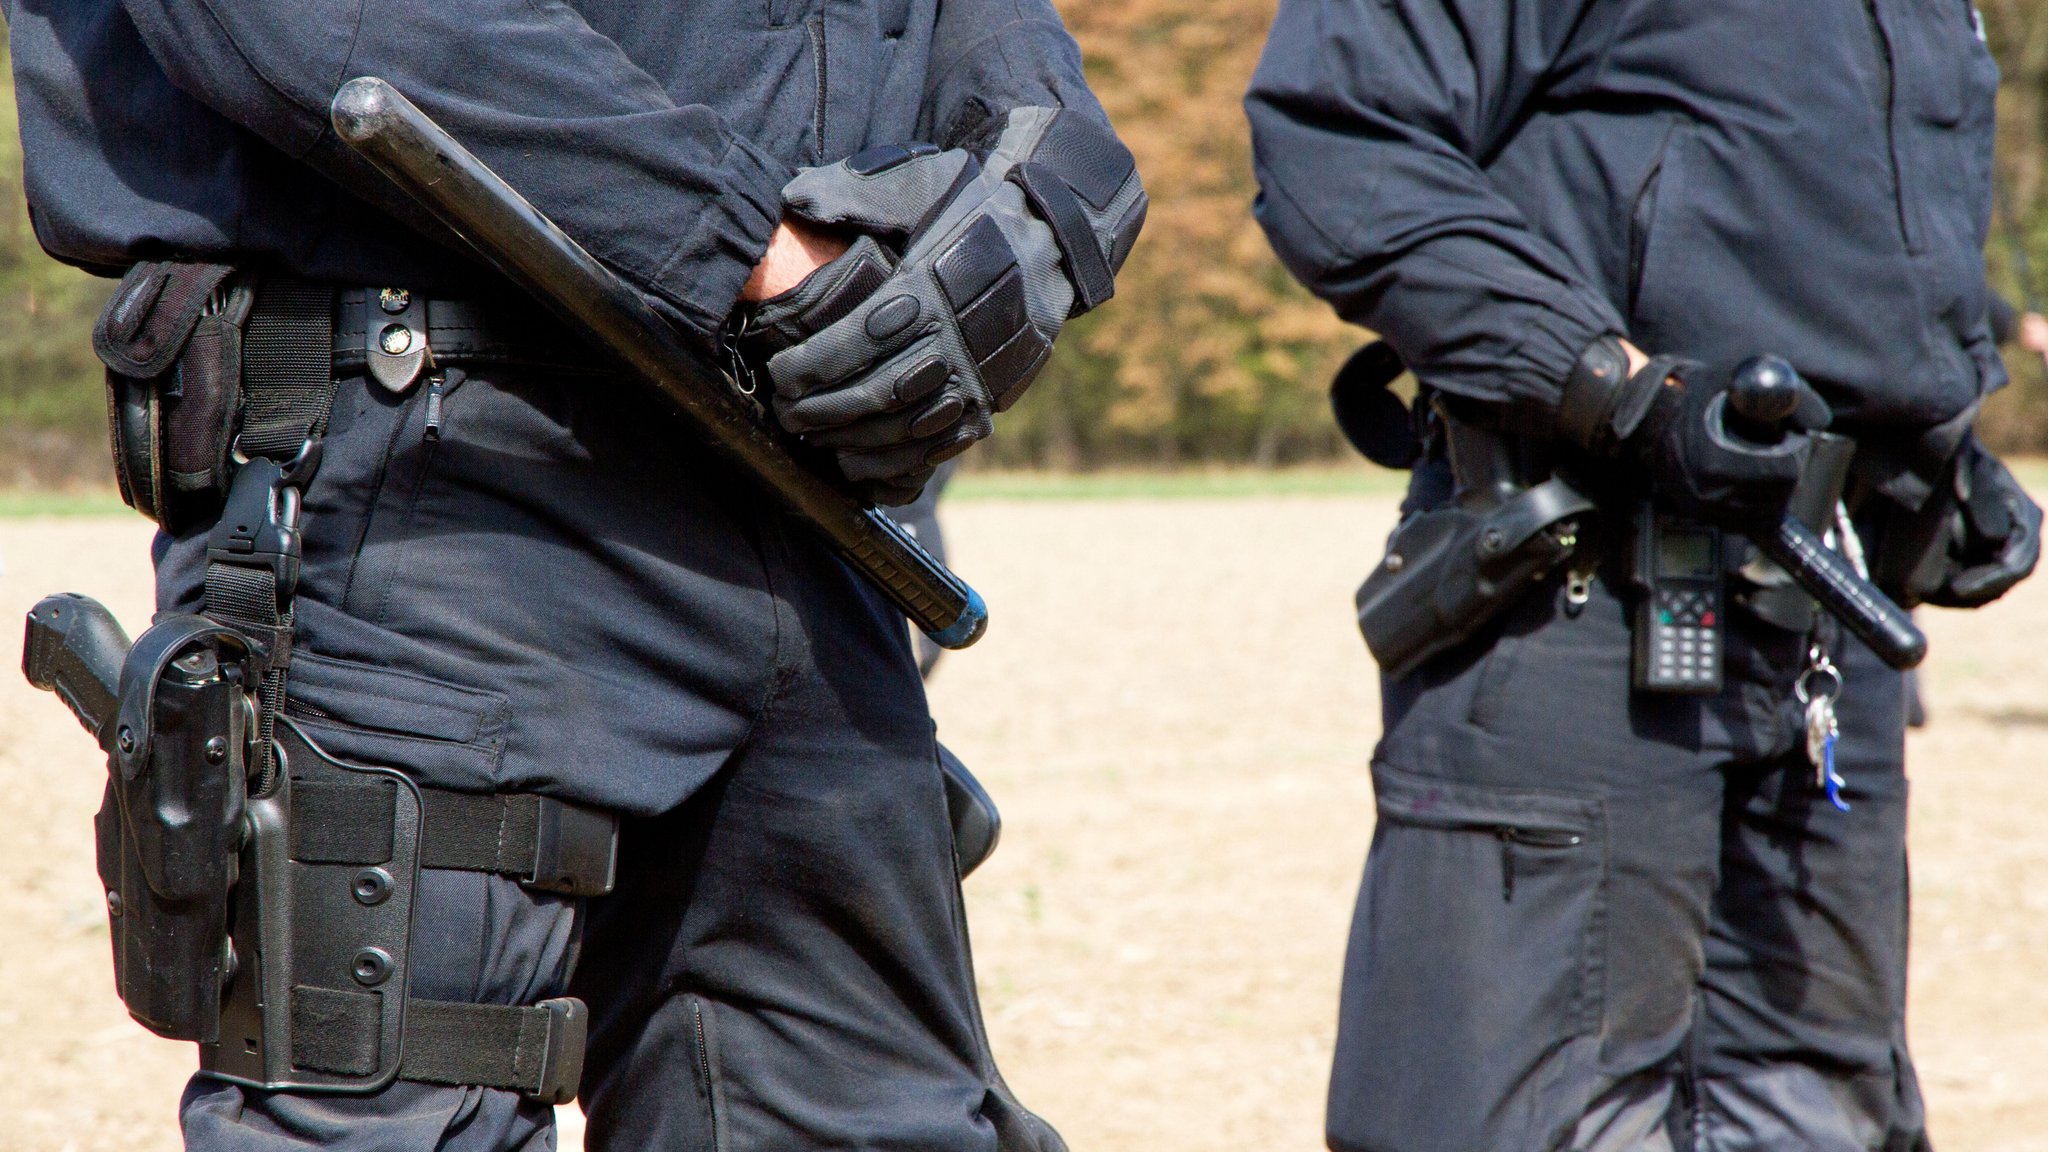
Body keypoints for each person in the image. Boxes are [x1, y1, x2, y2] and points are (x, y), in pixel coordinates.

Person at [7, 1, 1143, 1149]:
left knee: (864, 1125)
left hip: (806, 477)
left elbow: (994, 49)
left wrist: (1030, 200)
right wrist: (745, 242)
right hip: (434, 479)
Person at [1248, 4, 2039, 1151]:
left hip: (1817, 613)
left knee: (1819, 1112)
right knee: (1524, 1120)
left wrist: (1932, 444)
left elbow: (1849, 212)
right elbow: (1339, 137)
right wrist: (1617, 395)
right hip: (1577, 583)